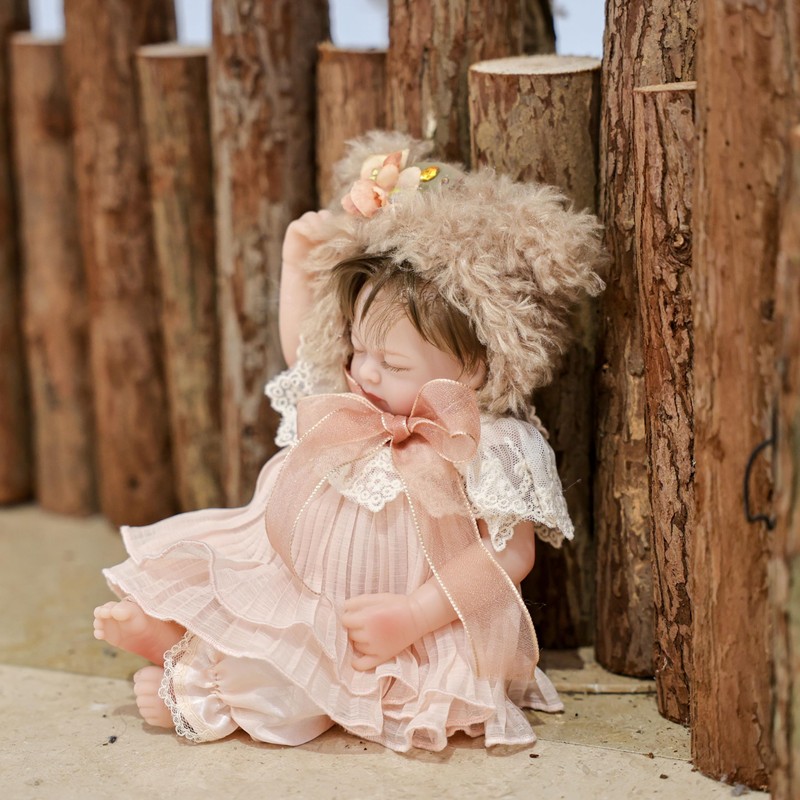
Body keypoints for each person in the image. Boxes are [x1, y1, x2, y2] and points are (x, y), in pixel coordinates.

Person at [93, 131, 605, 752]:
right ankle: (183, 640)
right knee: (246, 601)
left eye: (393, 363)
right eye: (361, 349)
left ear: (475, 367)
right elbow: (305, 355)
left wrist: (413, 615)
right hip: (302, 588)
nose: (365, 372)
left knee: (302, 688)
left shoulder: (487, 442)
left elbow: (508, 557)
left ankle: (202, 685)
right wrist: (295, 265)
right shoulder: (355, 402)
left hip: (402, 625)